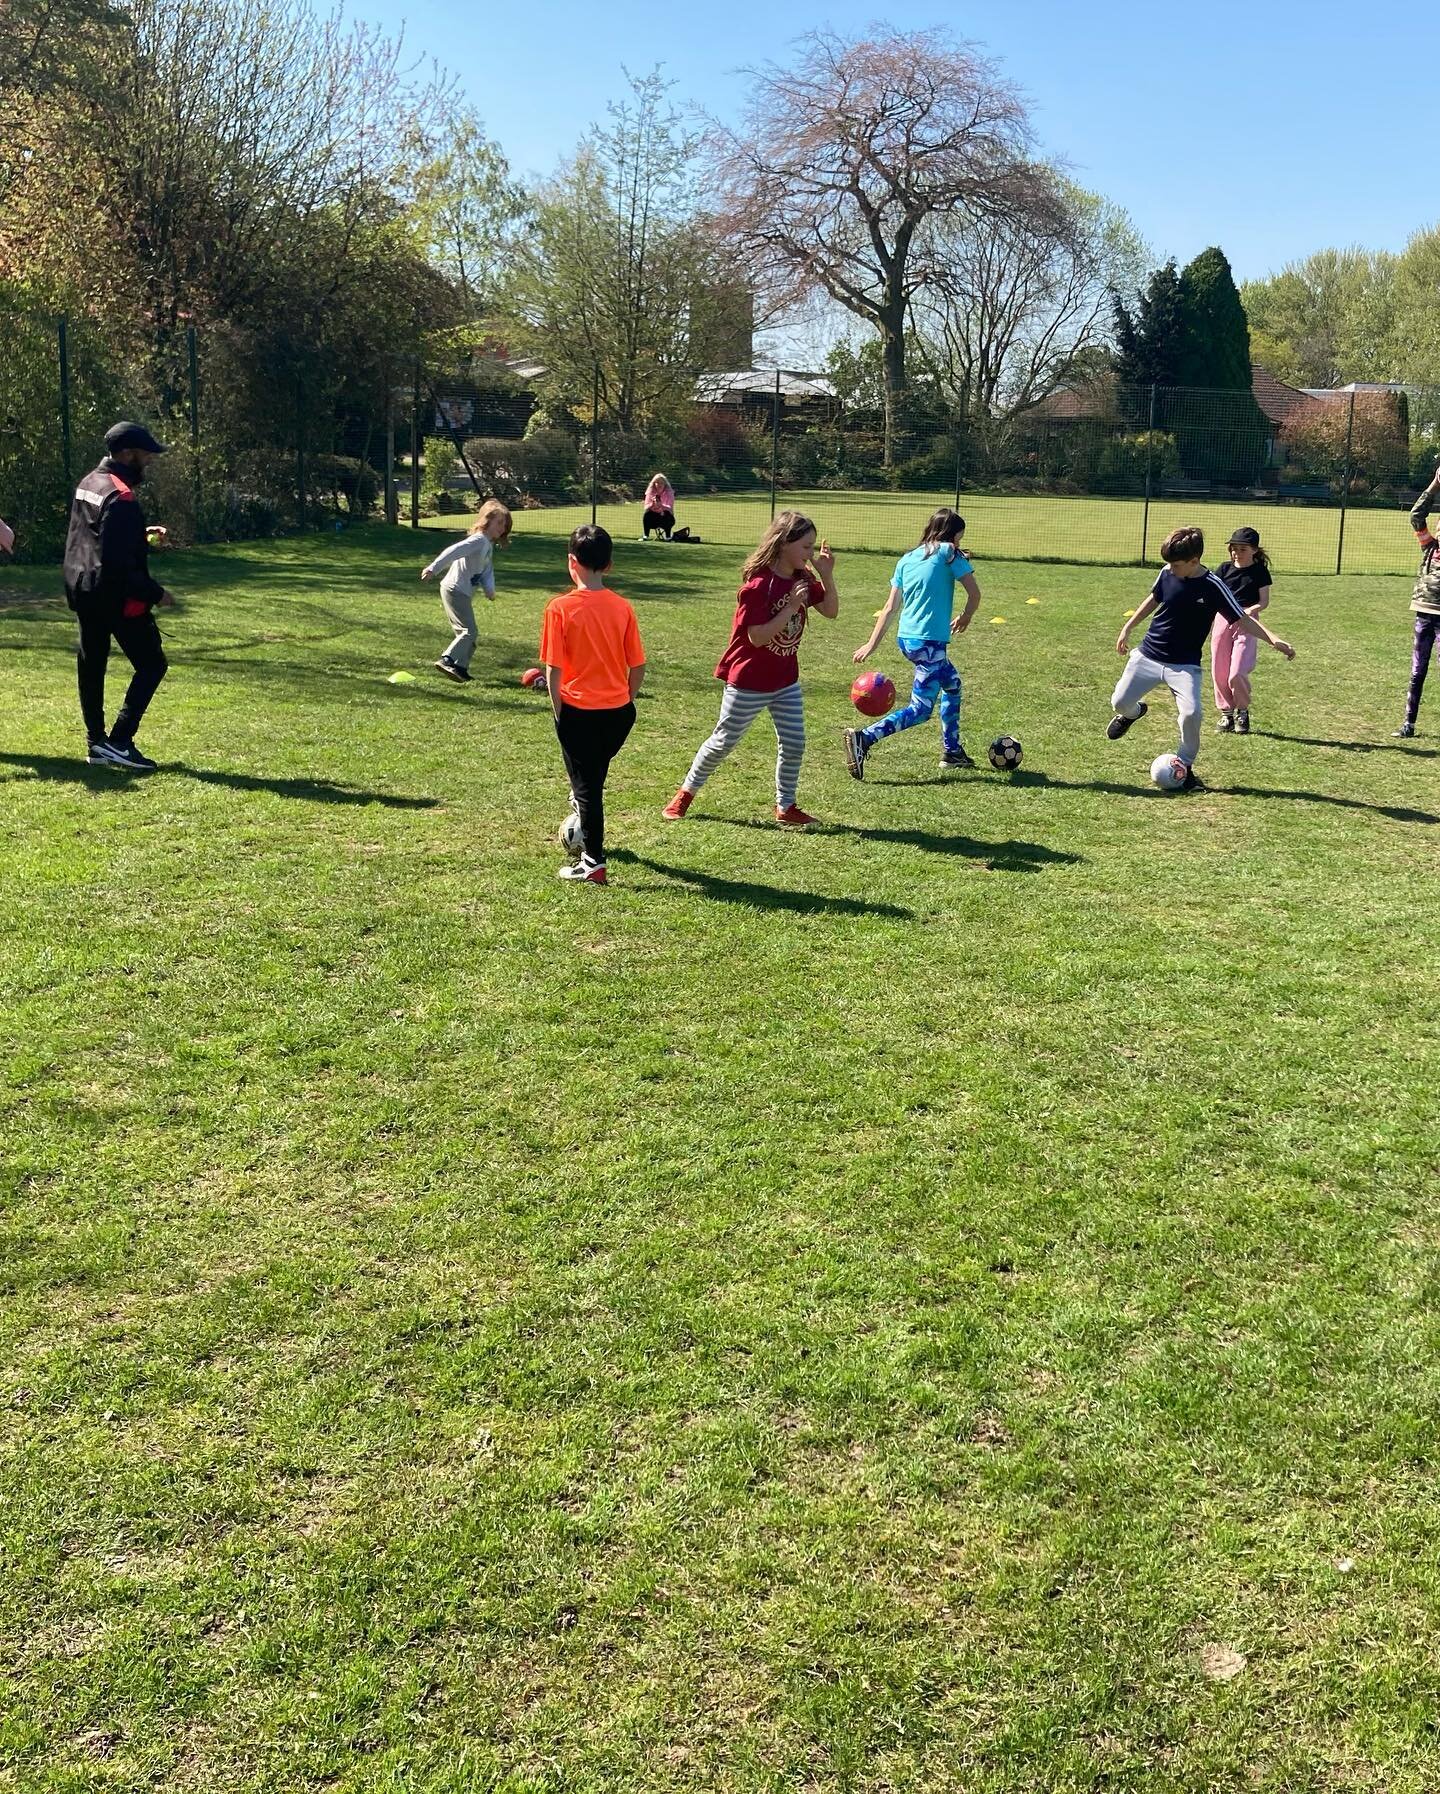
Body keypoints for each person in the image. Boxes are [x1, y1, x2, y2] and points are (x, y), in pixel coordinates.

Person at [662, 510, 839, 827]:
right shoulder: (758, 585)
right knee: (722, 742)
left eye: (813, 548)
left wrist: (825, 575)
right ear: (784, 543)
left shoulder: (803, 579)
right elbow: (757, 637)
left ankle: (786, 807)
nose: (810, 554)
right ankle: (684, 795)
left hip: (785, 680)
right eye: (806, 547)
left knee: (795, 742)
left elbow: (830, 611)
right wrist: (790, 607)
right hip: (749, 681)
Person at [1108, 525, 1294, 790]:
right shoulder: (1166, 572)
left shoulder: (1213, 586)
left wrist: (1273, 639)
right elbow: (1154, 598)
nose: (1171, 569)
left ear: (1194, 561)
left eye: (1177, 565)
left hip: (1184, 665)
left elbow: (1242, 618)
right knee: (1119, 703)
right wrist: (1128, 627)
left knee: (1192, 714)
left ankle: (1185, 765)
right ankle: (1133, 713)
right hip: (1148, 655)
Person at [62, 421, 175, 771]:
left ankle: (96, 742)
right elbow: (117, 563)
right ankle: (121, 741)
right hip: (114, 596)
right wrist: (156, 594)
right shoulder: (122, 496)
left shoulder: (89, 483)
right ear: (128, 454)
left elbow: (96, 536)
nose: (150, 461)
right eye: (146, 455)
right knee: (152, 664)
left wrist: (139, 536)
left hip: (81, 587)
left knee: (92, 664)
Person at [540, 524, 646, 885]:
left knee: (589, 790)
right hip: (619, 714)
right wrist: (625, 700)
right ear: (610, 564)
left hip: (579, 713)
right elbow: (638, 665)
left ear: (572, 562)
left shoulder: (560, 608)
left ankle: (593, 862)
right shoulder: (622, 607)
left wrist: (559, 713)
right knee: (591, 777)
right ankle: (579, 799)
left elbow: (553, 668)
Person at [844, 506, 981, 779]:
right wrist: (966, 615)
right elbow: (974, 593)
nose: (959, 544)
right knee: (920, 710)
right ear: (951, 536)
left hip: (908, 640)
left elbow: (889, 607)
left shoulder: (907, 559)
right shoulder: (950, 553)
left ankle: (952, 751)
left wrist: (871, 644)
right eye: (959, 538)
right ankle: (864, 739)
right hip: (930, 644)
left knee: (952, 685)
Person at [420, 498, 512, 682]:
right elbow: (453, 551)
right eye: (499, 523)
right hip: (454, 589)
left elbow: (487, 570)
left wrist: (489, 589)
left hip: (462, 591)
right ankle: (446, 659)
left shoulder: (487, 545)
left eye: (505, 525)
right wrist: (433, 568)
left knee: (468, 636)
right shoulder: (478, 540)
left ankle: (460, 669)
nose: (502, 528)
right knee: (468, 632)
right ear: (487, 520)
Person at [1211, 526, 1273, 734]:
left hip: (1247, 622)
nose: (1236, 552)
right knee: (1219, 669)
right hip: (1223, 620)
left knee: (1237, 671)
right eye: (1233, 548)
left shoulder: (1259, 572)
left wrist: (1248, 611)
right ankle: (1226, 714)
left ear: (1254, 550)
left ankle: (1242, 711)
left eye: (1242, 549)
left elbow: (1263, 602)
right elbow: (1213, 596)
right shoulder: (1223, 569)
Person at [1397, 469, 1440, 737]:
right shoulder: (1429, 548)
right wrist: (1436, 483)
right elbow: (1416, 515)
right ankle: (1408, 724)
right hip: (1424, 614)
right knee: (1417, 671)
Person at [642, 473, 676, 540]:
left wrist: (661, 505)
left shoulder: (669, 493)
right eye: (656, 482)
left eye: (661, 483)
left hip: (666, 518)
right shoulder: (650, 492)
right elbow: (646, 507)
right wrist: (652, 504)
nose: (659, 484)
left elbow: (669, 508)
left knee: (667, 513)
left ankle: (668, 537)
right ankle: (646, 536)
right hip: (653, 518)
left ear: (665, 484)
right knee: (647, 514)